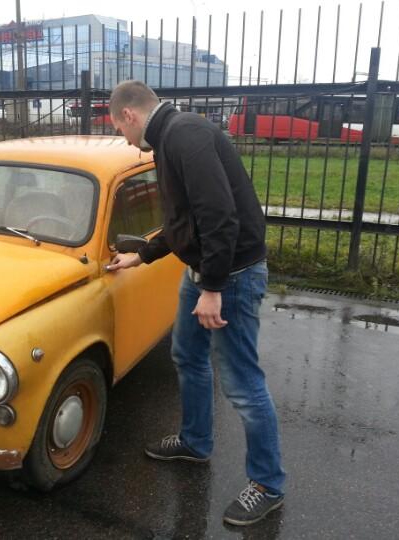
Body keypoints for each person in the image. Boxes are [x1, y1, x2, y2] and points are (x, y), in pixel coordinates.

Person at [106, 80, 285, 526]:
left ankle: (268, 484)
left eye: (120, 130)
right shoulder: (168, 140)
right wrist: (143, 254)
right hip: (205, 271)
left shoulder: (185, 135)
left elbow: (218, 217)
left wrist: (213, 288)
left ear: (129, 114)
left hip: (232, 276)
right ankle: (195, 441)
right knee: (187, 355)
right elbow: (183, 221)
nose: (124, 140)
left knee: (242, 382)